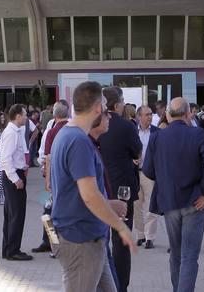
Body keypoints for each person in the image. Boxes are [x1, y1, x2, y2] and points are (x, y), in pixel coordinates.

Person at [50, 81, 138, 291]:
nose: (109, 115)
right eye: (107, 109)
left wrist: (107, 204)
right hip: (81, 240)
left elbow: (78, 193)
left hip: (87, 238)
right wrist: (120, 227)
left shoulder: (69, 135)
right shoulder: (78, 140)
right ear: (98, 107)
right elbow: (89, 195)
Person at [141, 96, 204, 292]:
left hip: (169, 202)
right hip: (195, 201)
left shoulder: (158, 137)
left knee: (176, 253)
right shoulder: (197, 133)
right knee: (189, 255)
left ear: (167, 114)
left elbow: (148, 170)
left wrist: (165, 178)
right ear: (187, 114)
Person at [97, 87, 142, 292]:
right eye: (123, 101)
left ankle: (104, 283)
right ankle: (120, 286)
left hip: (100, 188)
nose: (125, 105)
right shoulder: (126, 126)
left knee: (101, 238)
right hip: (123, 189)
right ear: (116, 105)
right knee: (122, 239)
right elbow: (136, 150)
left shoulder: (94, 125)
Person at [35, 100, 72, 255]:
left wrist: (47, 180)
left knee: (47, 212)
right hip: (70, 179)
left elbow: (47, 157)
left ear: (55, 114)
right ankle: (55, 243)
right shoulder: (74, 128)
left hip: (53, 179)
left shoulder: (52, 130)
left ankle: (54, 244)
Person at [0, 103, 33, 260]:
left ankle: (8, 249)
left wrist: (22, 165)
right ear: (18, 116)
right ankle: (13, 250)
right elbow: (6, 159)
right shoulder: (12, 133)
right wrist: (16, 179)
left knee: (12, 214)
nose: (27, 117)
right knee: (17, 214)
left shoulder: (14, 131)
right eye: (25, 114)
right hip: (13, 176)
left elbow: (13, 156)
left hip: (14, 173)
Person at [133, 106, 160, 249]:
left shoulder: (157, 132)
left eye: (151, 114)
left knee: (151, 205)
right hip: (135, 172)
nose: (150, 117)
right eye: (147, 114)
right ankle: (140, 235)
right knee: (137, 205)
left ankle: (150, 237)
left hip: (150, 173)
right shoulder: (132, 131)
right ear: (139, 116)